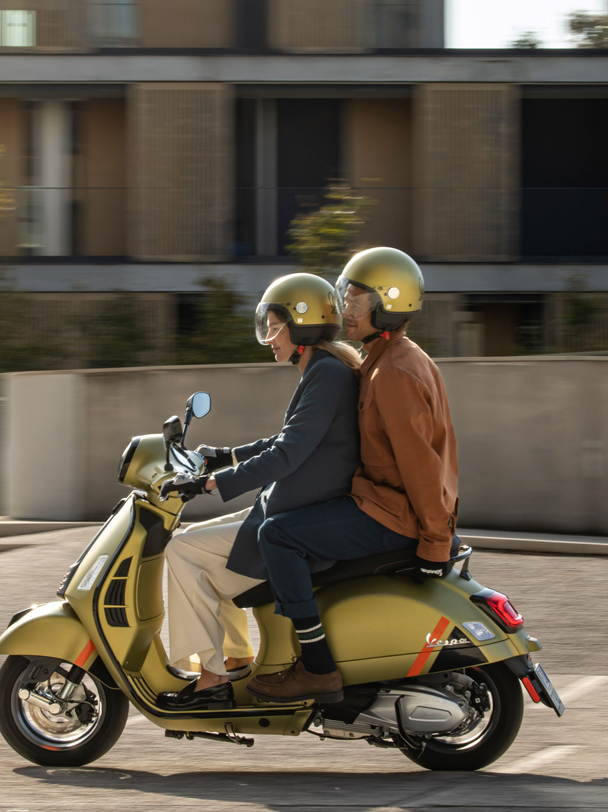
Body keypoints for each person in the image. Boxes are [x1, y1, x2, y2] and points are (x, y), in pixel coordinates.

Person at [247, 247, 457, 704]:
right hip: (383, 503)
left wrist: (435, 543)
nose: (345, 308)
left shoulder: (394, 373)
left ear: (388, 303)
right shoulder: (387, 358)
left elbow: (421, 467)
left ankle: (317, 668)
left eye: (357, 300)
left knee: (278, 536)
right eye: (345, 296)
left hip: (390, 513)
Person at [154, 273, 362, 712]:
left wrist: (210, 483)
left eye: (274, 326)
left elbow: (288, 454)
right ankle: (237, 656)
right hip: (285, 506)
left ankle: (211, 679)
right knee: (198, 547)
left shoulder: (326, 374)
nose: (269, 338)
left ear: (301, 325)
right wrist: (225, 456)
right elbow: (285, 440)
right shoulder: (325, 370)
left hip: (292, 516)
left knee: (181, 553)